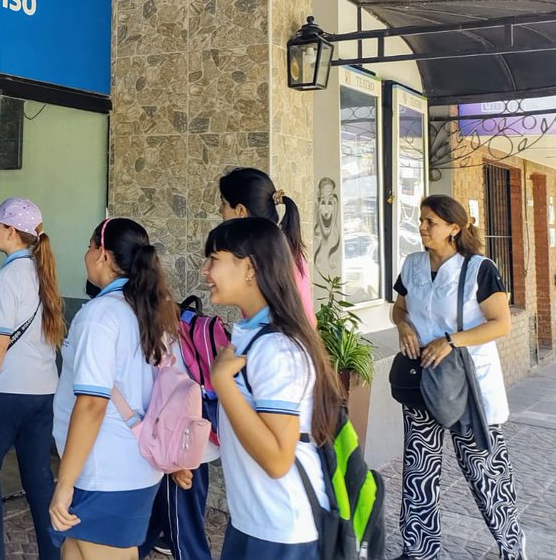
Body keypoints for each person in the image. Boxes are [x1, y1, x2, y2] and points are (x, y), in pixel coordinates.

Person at [392, 195, 526, 560]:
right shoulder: (413, 264)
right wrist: (404, 328)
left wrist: (452, 341)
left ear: (454, 228)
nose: (422, 227)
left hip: (468, 386)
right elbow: (399, 308)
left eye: (430, 221)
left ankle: (511, 547)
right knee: (419, 468)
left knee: (485, 470)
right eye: (421, 220)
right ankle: (419, 550)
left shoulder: (479, 268)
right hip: (423, 380)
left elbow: (501, 323)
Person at [203, 217, 343, 560]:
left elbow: (278, 459)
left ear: (249, 268)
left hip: (283, 530)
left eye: (213, 259)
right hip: (255, 523)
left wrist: (224, 384)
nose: (205, 270)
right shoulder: (253, 335)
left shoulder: (277, 347)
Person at [50, 217, 180, 560]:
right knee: (73, 549)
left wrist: (65, 483)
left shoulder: (101, 314)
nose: (87, 254)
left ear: (103, 255)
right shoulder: (152, 310)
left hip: (103, 473)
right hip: (128, 467)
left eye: (90, 247)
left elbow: (92, 404)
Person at [0, 197, 65, 560]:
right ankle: (51, 554)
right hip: (42, 392)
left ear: (11, 232)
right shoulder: (43, 273)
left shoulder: (8, 279)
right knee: (38, 478)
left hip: (7, 392)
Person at [218, 167, 315, 322]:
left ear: (240, 211)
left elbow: (272, 327)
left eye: (224, 203)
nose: (220, 210)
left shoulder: (258, 258)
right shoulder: (285, 245)